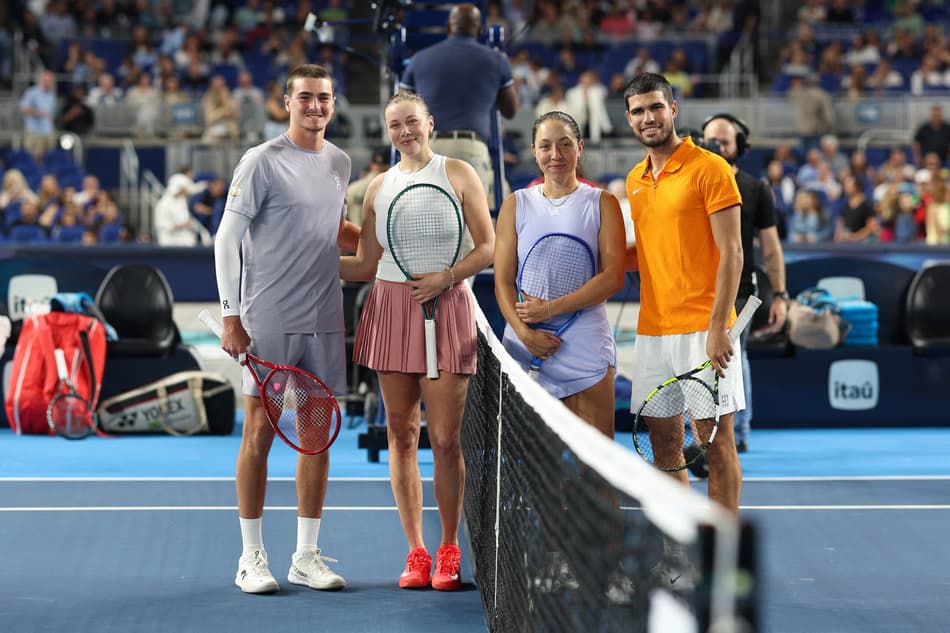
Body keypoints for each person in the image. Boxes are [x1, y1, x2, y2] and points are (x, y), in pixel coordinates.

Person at [212, 64, 360, 595]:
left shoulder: (341, 163)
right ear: (286, 102)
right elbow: (226, 238)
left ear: (334, 104)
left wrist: (373, 240)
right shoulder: (259, 162)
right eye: (305, 98)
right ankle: (251, 556)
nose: (314, 106)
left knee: (316, 441)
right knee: (258, 435)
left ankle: (305, 556)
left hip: (324, 318)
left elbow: (329, 225)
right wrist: (232, 314)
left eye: (323, 98)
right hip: (267, 321)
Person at [340, 91, 494, 591]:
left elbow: (488, 246)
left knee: (446, 441)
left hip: (448, 306)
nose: (404, 131)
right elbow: (363, 264)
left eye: (412, 121)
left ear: (430, 122)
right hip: (390, 309)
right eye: (394, 125)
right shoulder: (377, 188)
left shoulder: (459, 173)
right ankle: (416, 551)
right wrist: (301, 258)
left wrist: (447, 276)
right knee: (401, 436)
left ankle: (449, 548)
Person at [623, 73, 744, 516]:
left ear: (673, 109)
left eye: (655, 107)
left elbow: (733, 251)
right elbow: (649, 251)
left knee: (715, 444)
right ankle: (679, 552)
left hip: (703, 327)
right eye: (638, 111)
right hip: (653, 332)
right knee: (665, 446)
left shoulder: (710, 168)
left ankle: (723, 554)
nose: (647, 118)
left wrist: (717, 327)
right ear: (629, 119)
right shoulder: (635, 179)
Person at [494, 110, 625, 436]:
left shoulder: (603, 202)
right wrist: (525, 334)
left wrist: (550, 309)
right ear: (534, 151)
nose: (556, 155)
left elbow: (612, 278)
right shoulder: (515, 203)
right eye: (546, 146)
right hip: (523, 345)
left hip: (585, 347)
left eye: (565, 144)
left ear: (579, 147)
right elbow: (503, 281)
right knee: (529, 464)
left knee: (596, 465)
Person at [702, 114, 788, 453]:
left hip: (741, 291)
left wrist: (780, 294)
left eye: (724, 141)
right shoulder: (695, 182)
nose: (718, 147)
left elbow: (771, 247)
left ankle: (738, 432)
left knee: (736, 356)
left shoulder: (756, 189)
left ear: (740, 145)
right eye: (710, 140)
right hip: (699, 289)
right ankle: (706, 432)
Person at [398, 3, 519, 212]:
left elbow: (400, 109)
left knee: (424, 219)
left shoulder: (419, 59)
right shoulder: (497, 60)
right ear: (480, 30)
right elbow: (510, 110)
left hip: (428, 148)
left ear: (448, 28)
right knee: (470, 230)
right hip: (470, 150)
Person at [19, 69, 58, 162]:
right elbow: (23, 109)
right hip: (34, 131)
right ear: (42, 80)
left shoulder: (52, 95)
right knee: (34, 159)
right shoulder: (32, 92)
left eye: (51, 81)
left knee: (50, 159)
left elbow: (51, 113)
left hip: (48, 131)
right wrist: (39, 113)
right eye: (47, 80)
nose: (49, 83)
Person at [345, 146, 389, 226]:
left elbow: (343, 219)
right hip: (379, 237)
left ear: (371, 165)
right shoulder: (391, 189)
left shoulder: (352, 188)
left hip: (354, 236)